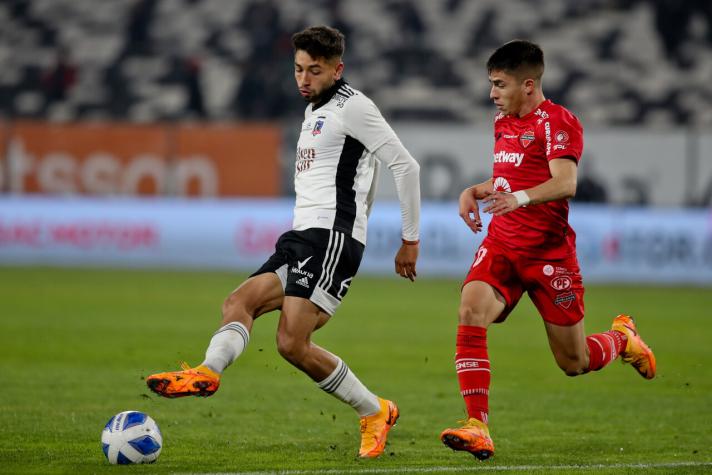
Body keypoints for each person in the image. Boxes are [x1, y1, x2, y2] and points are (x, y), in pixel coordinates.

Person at [146, 25, 421, 459]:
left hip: (331, 237)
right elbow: (362, 177)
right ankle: (207, 372)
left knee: (292, 343)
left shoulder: (355, 108)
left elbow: (406, 166)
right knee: (238, 302)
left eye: (314, 70)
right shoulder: (314, 112)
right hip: (300, 236)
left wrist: (409, 238)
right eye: (298, 69)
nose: (303, 79)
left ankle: (375, 411)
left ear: (337, 69)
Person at [439, 40, 656, 460]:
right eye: (491, 84)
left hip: (548, 255)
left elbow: (564, 182)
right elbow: (508, 177)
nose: (492, 93)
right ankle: (478, 426)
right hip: (502, 244)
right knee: (470, 309)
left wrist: (518, 199)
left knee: (574, 362)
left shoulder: (558, 122)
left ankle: (622, 338)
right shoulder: (503, 121)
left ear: (529, 84)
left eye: (499, 84)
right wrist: (474, 190)